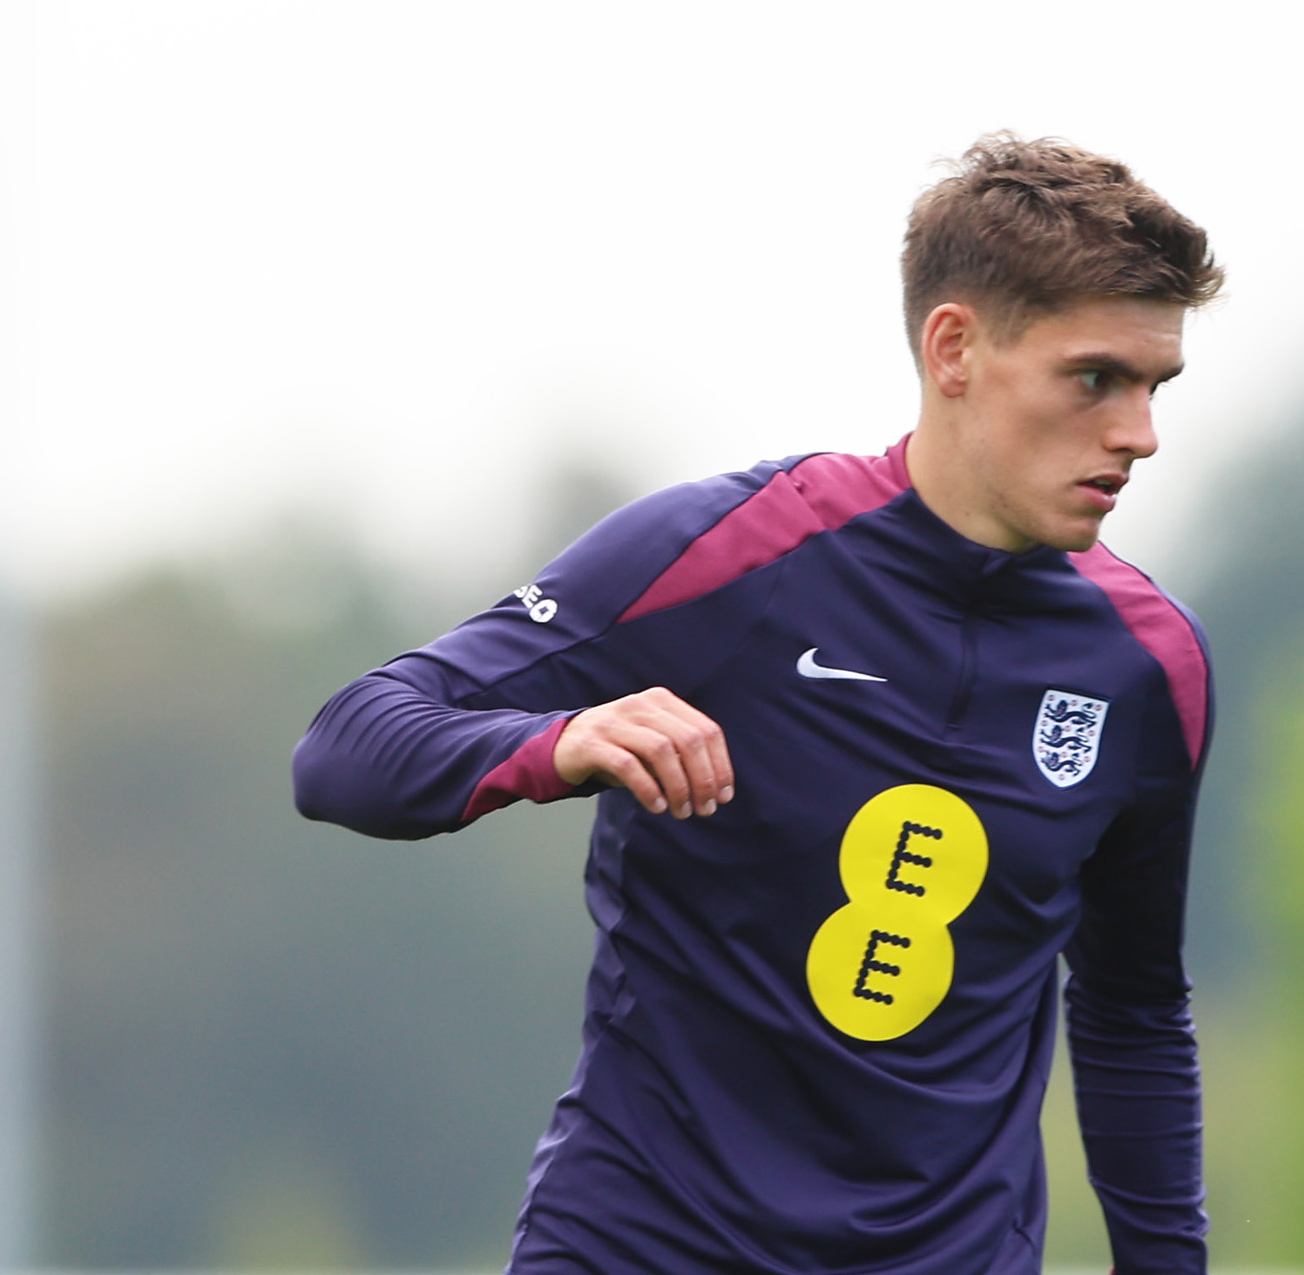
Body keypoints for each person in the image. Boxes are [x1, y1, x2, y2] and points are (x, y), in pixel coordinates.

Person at [293, 133, 1225, 1275]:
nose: (1138, 432)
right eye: (1094, 378)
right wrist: (561, 738)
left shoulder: (1147, 665)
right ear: (953, 350)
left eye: (1152, 384)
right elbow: (345, 748)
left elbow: (1131, 1014)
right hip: (641, 1244)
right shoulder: (728, 555)